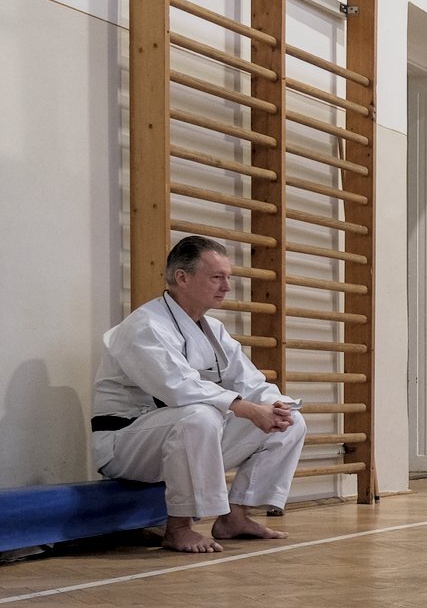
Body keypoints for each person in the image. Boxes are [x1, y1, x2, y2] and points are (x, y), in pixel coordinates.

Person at [91, 235, 305, 553]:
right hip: (126, 442)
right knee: (199, 414)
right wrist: (247, 409)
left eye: (228, 278)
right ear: (182, 278)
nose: (226, 287)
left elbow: (251, 382)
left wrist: (277, 406)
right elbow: (178, 387)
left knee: (289, 422)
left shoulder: (213, 330)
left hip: (181, 435)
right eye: (217, 277)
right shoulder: (145, 326)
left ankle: (235, 516)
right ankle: (178, 527)